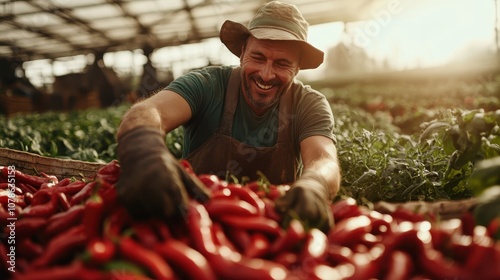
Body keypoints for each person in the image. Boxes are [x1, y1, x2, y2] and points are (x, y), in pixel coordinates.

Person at [115, 1, 341, 232]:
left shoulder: (308, 104)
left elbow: (324, 159)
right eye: (258, 57)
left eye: (282, 64)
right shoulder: (207, 85)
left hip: (273, 229)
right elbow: (147, 111)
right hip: (190, 222)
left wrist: (316, 183)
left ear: (298, 67)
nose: (266, 74)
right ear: (242, 53)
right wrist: (144, 147)